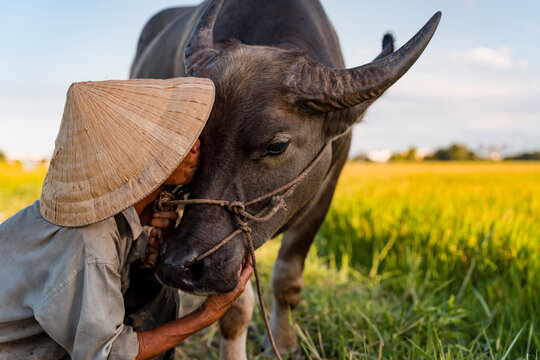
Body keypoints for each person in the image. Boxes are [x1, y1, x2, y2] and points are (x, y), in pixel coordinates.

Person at [0, 78, 253, 360]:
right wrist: (207, 315)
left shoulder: (122, 214)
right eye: (176, 140)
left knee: (152, 280)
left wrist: (143, 255)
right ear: (138, 160)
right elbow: (105, 355)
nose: (196, 145)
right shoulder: (91, 243)